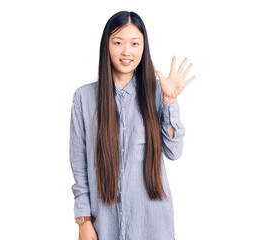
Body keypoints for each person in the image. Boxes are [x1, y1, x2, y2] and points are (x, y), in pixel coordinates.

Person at [69, 10, 195, 240]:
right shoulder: (84, 98)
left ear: (143, 48)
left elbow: (174, 152)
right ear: (106, 46)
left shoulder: (159, 92)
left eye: (135, 43)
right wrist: (83, 221)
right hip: (104, 224)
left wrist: (170, 101)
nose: (127, 51)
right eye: (118, 42)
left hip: (152, 225)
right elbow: (79, 165)